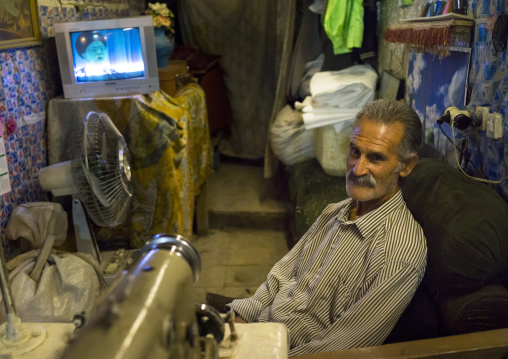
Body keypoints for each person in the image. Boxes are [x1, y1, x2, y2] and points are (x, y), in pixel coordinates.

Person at [228, 99, 427, 356]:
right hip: (260, 334)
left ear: (407, 165)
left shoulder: (399, 253)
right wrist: (240, 318)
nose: (358, 168)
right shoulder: (335, 210)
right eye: (355, 151)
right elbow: (281, 276)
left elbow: (340, 349)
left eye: (375, 158)